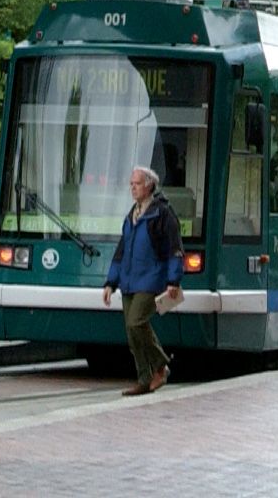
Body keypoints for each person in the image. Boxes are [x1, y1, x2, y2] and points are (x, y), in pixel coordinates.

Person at [97, 165, 182, 396]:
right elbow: (121, 250)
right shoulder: (132, 214)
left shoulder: (162, 212)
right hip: (128, 280)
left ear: (149, 185)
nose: (132, 188)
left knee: (136, 323)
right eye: (131, 184)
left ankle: (161, 365)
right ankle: (145, 379)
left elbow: (175, 248)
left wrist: (174, 279)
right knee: (132, 331)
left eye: (136, 184)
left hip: (151, 278)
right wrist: (110, 283)